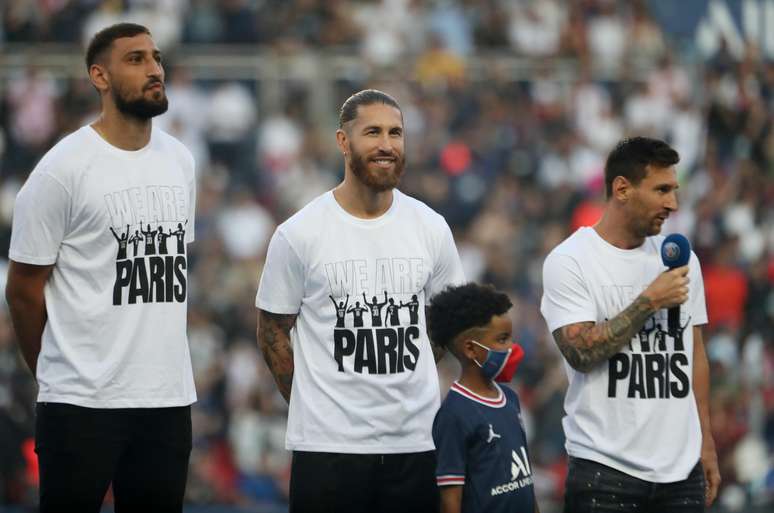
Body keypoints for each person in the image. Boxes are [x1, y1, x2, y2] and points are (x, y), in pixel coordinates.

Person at [5, 23, 196, 513]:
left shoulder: (180, 160)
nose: (155, 68)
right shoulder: (62, 169)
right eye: (135, 59)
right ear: (99, 76)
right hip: (80, 402)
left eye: (156, 57)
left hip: (166, 398)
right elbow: (23, 288)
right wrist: (55, 370)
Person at [256, 89, 465, 513]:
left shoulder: (431, 228)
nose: (387, 144)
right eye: (373, 132)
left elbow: (448, 322)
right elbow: (272, 332)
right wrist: (317, 402)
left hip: (416, 444)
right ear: (343, 141)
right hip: (327, 450)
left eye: (396, 133)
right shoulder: (299, 234)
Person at [540, 137, 720, 513]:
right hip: (605, 472)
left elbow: (695, 355)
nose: (673, 203)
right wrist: (648, 302)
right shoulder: (571, 261)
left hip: (681, 474)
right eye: (662, 190)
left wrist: (706, 441)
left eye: (674, 190)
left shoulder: (680, 258)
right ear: (622, 189)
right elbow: (581, 353)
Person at [427, 283, 538, 513]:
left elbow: (525, 481)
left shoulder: (511, 398)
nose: (512, 348)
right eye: (502, 339)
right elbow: (450, 500)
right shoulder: (454, 414)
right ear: (470, 349)